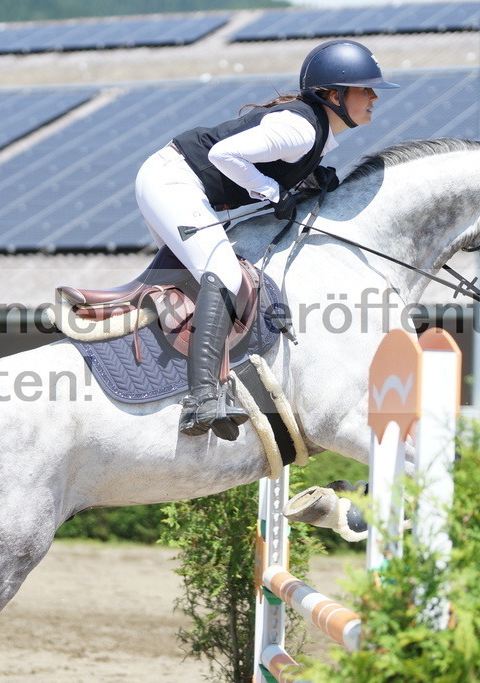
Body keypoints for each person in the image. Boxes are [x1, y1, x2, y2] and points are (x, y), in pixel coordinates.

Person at [134, 39, 399, 442]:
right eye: (365, 89)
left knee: (195, 284)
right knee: (224, 276)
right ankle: (202, 398)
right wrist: (273, 191)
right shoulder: (300, 130)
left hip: (176, 181)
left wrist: (302, 180)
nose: (375, 97)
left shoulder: (312, 130)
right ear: (334, 95)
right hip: (173, 182)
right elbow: (224, 155)